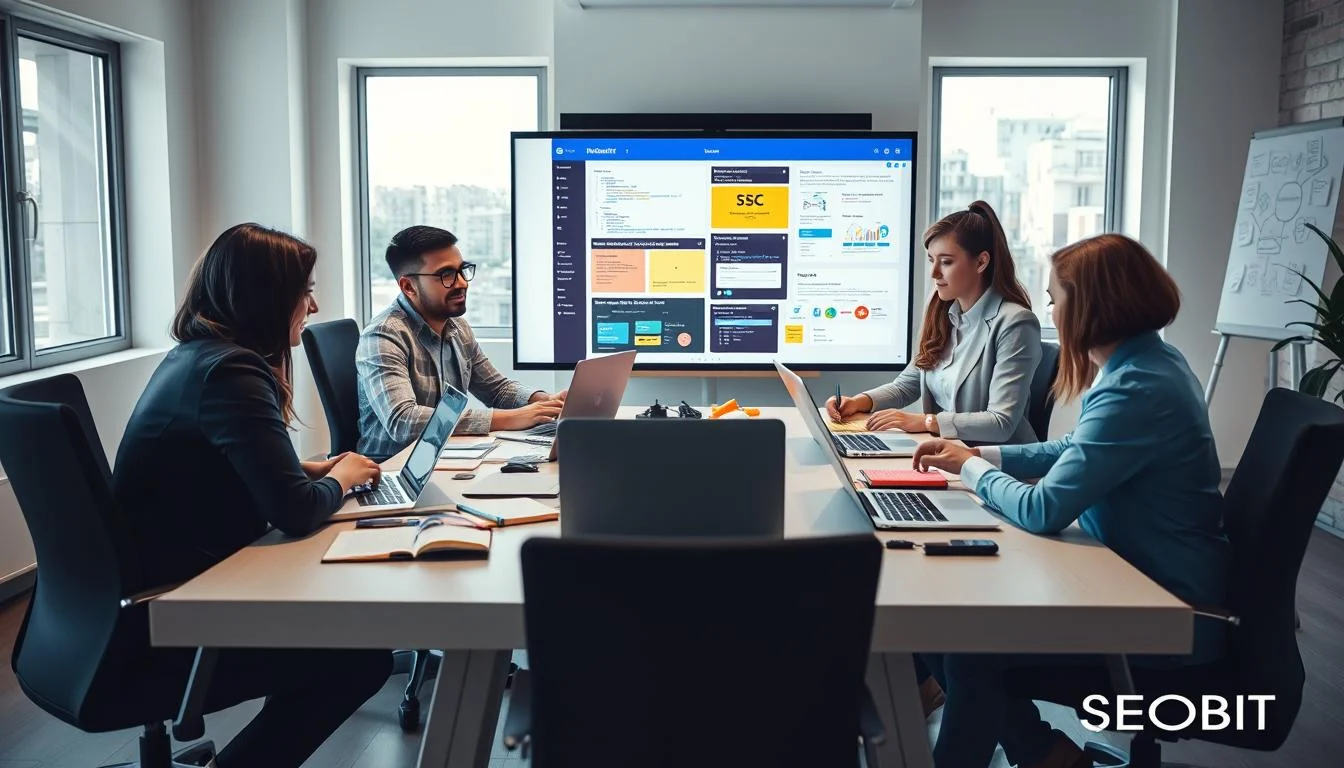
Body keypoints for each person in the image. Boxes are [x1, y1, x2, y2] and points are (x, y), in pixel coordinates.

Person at [910, 234, 1231, 768]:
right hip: (1128, 578)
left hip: (1166, 611)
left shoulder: (1136, 388)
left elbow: (1043, 510)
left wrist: (969, 469)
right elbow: (1074, 447)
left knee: (967, 649)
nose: (1051, 312)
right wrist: (978, 454)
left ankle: (1043, 754)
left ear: (1090, 306)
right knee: (944, 628)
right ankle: (1048, 755)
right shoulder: (1149, 364)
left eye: (1055, 299)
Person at [113, 223, 392, 768]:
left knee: (333, 642)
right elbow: (295, 510)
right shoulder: (232, 371)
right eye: (305, 292)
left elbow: (209, 464)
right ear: (267, 297)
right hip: (178, 610)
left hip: (147, 595)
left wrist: (308, 468)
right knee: (359, 659)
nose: (313, 307)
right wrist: (342, 478)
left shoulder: (197, 356)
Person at [828, 200, 1042, 446]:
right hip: (949, 453)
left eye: (946, 262)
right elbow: (906, 385)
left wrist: (927, 422)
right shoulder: (944, 312)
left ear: (981, 262)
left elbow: (1000, 423)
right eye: (932, 260)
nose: (934, 273)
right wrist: (859, 402)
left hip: (993, 462)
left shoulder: (1016, 323)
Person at [357, 225, 565, 457]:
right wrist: (513, 417)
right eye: (446, 275)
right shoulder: (383, 335)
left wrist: (546, 402)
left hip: (447, 455)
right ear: (408, 286)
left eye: (462, 271)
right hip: (393, 466)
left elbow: (496, 390)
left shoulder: (458, 327)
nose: (462, 283)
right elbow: (403, 421)